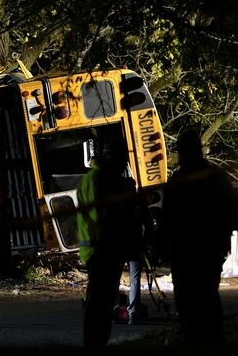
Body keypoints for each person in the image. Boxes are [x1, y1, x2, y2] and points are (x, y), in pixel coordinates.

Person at [162, 128, 238, 348]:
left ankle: (195, 340)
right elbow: (233, 212)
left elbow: (168, 217)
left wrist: (163, 243)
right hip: (211, 248)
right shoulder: (217, 176)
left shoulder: (177, 180)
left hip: (185, 250)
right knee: (208, 295)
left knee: (187, 299)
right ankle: (213, 339)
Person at [76, 137, 147, 349]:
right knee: (100, 301)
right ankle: (94, 343)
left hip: (103, 251)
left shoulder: (98, 179)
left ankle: (97, 342)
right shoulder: (100, 181)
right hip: (102, 251)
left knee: (103, 301)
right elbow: (104, 217)